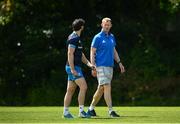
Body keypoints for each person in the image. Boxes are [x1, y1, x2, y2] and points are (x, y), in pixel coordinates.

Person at [87, 17, 125, 117]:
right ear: (102, 25)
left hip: (110, 66)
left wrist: (119, 62)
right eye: (105, 24)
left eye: (108, 25)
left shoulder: (112, 37)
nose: (107, 26)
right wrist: (93, 66)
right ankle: (111, 111)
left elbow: (114, 51)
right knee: (107, 87)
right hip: (100, 66)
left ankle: (90, 109)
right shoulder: (97, 37)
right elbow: (92, 51)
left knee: (101, 89)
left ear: (111, 26)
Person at [63, 18, 94, 118]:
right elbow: (70, 53)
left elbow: (80, 55)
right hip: (73, 67)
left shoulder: (77, 38)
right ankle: (81, 111)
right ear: (82, 27)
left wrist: (89, 64)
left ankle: (66, 112)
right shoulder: (74, 38)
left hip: (74, 67)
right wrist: (72, 69)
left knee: (70, 90)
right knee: (84, 87)